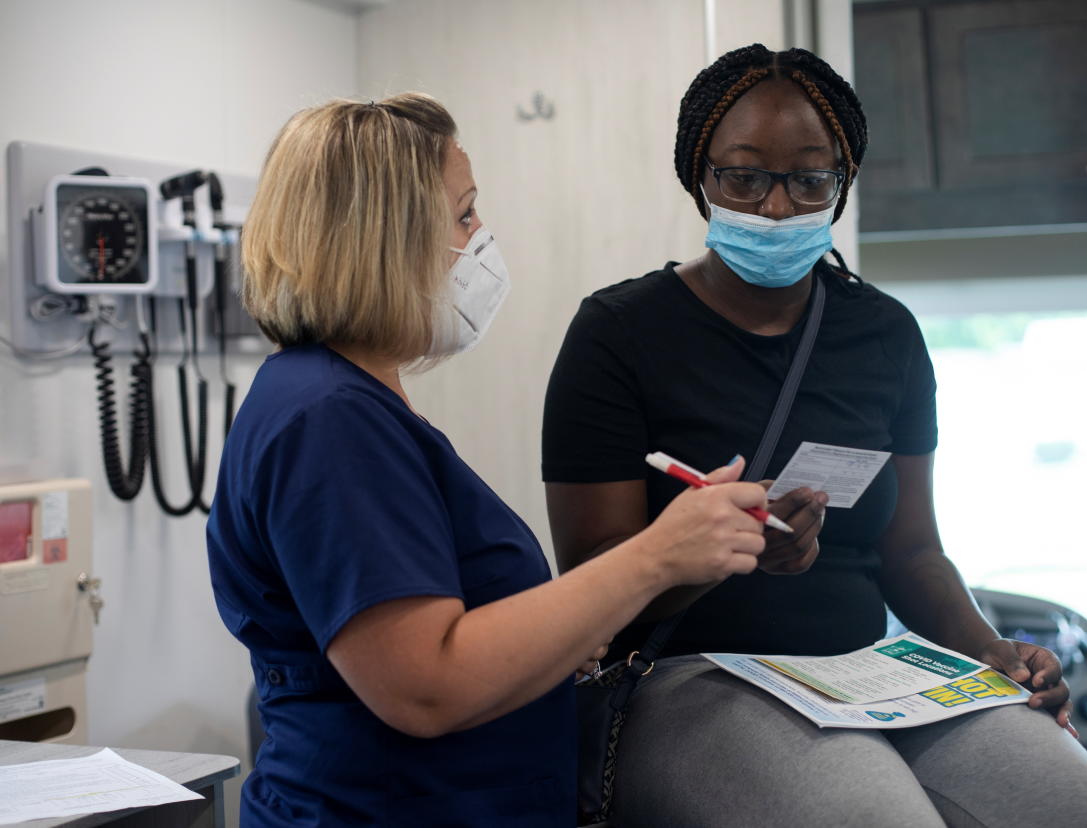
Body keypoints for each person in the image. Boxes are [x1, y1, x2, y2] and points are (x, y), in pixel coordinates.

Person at [542, 45, 1087, 827]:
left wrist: (992, 655)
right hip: (693, 675)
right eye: (745, 177)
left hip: (875, 675)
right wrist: (726, 551)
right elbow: (594, 589)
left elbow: (913, 551)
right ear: (701, 177)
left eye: (808, 179)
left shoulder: (884, 334)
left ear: (842, 183)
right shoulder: (618, 334)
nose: (777, 208)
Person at [205, 92, 772, 826]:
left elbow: (450, 632)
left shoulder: (350, 403)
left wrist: (564, 632)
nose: (482, 240)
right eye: (465, 215)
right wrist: (657, 557)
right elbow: (425, 684)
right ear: (387, 238)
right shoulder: (329, 421)